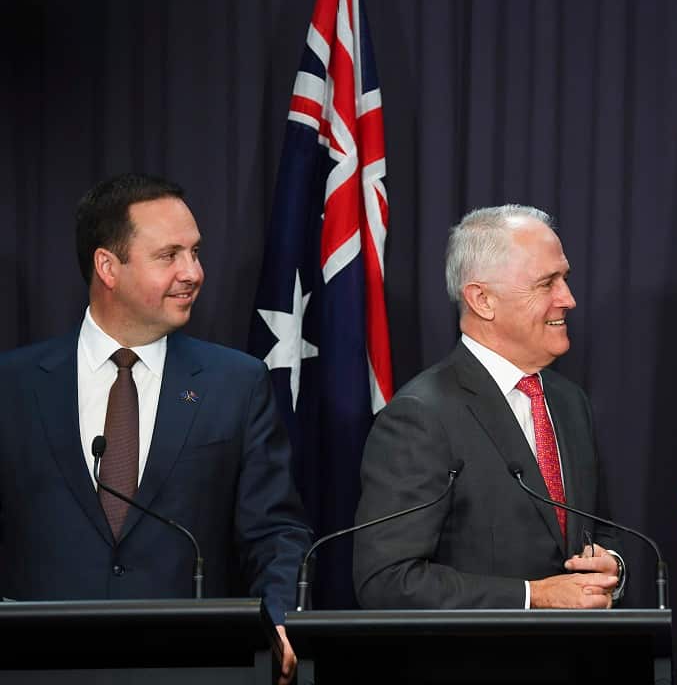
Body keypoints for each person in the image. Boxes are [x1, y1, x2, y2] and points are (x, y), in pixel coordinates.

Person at [0, 174, 312, 682]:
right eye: (169, 255)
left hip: (192, 667)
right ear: (108, 267)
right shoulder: (12, 386)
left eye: (195, 252)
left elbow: (275, 533)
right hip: (38, 667)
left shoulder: (236, 383)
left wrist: (280, 618)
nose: (193, 272)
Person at [353, 205, 625, 608]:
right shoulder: (421, 416)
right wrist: (533, 596)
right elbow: (387, 581)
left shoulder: (569, 402)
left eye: (564, 279)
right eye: (546, 283)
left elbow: (601, 530)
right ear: (482, 300)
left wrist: (612, 568)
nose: (567, 299)